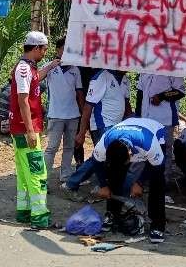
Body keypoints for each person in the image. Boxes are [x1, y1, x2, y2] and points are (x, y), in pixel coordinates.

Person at [8, 31, 60, 229]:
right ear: (36, 48)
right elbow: (23, 100)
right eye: (44, 49)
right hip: (26, 129)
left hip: (22, 128)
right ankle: (40, 215)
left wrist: (50, 66)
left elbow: (36, 78)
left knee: (24, 171)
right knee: (37, 171)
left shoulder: (29, 68)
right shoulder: (23, 69)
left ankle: (24, 210)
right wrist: (30, 130)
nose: (45, 52)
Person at [92, 117, 167, 244]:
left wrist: (140, 183)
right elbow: (96, 162)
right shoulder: (105, 143)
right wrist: (103, 185)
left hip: (154, 131)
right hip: (125, 131)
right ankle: (112, 214)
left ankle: (157, 225)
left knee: (157, 182)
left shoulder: (148, 143)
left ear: (130, 156)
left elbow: (158, 167)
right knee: (114, 175)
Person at [65, 69, 132, 198]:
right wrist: (82, 132)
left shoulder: (125, 79)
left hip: (117, 126)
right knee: (99, 156)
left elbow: (126, 103)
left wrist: (131, 122)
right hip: (102, 125)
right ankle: (71, 183)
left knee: (109, 157)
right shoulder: (101, 77)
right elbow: (88, 106)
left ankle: (102, 186)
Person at [44, 38, 85, 185]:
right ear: (58, 50)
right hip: (55, 115)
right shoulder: (49, 67)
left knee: (69, 147)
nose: (66, 52)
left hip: (73, 115)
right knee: (51, 148)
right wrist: (50, 66)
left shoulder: (75, 70)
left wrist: (82, 113)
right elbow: (36, 80)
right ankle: (44, 180)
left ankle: (66, 176)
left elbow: (79, 93)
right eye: (64, 49)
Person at [136, 72, 185, 180]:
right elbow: (140, 92)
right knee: (145, 148)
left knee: (164, 150)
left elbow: (180, 91)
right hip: (146, 119)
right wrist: (138, 115)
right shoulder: (144, 69)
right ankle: (146, 179)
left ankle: (164, 181)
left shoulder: (173, 68)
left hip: (165, 119)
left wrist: (161, 96)